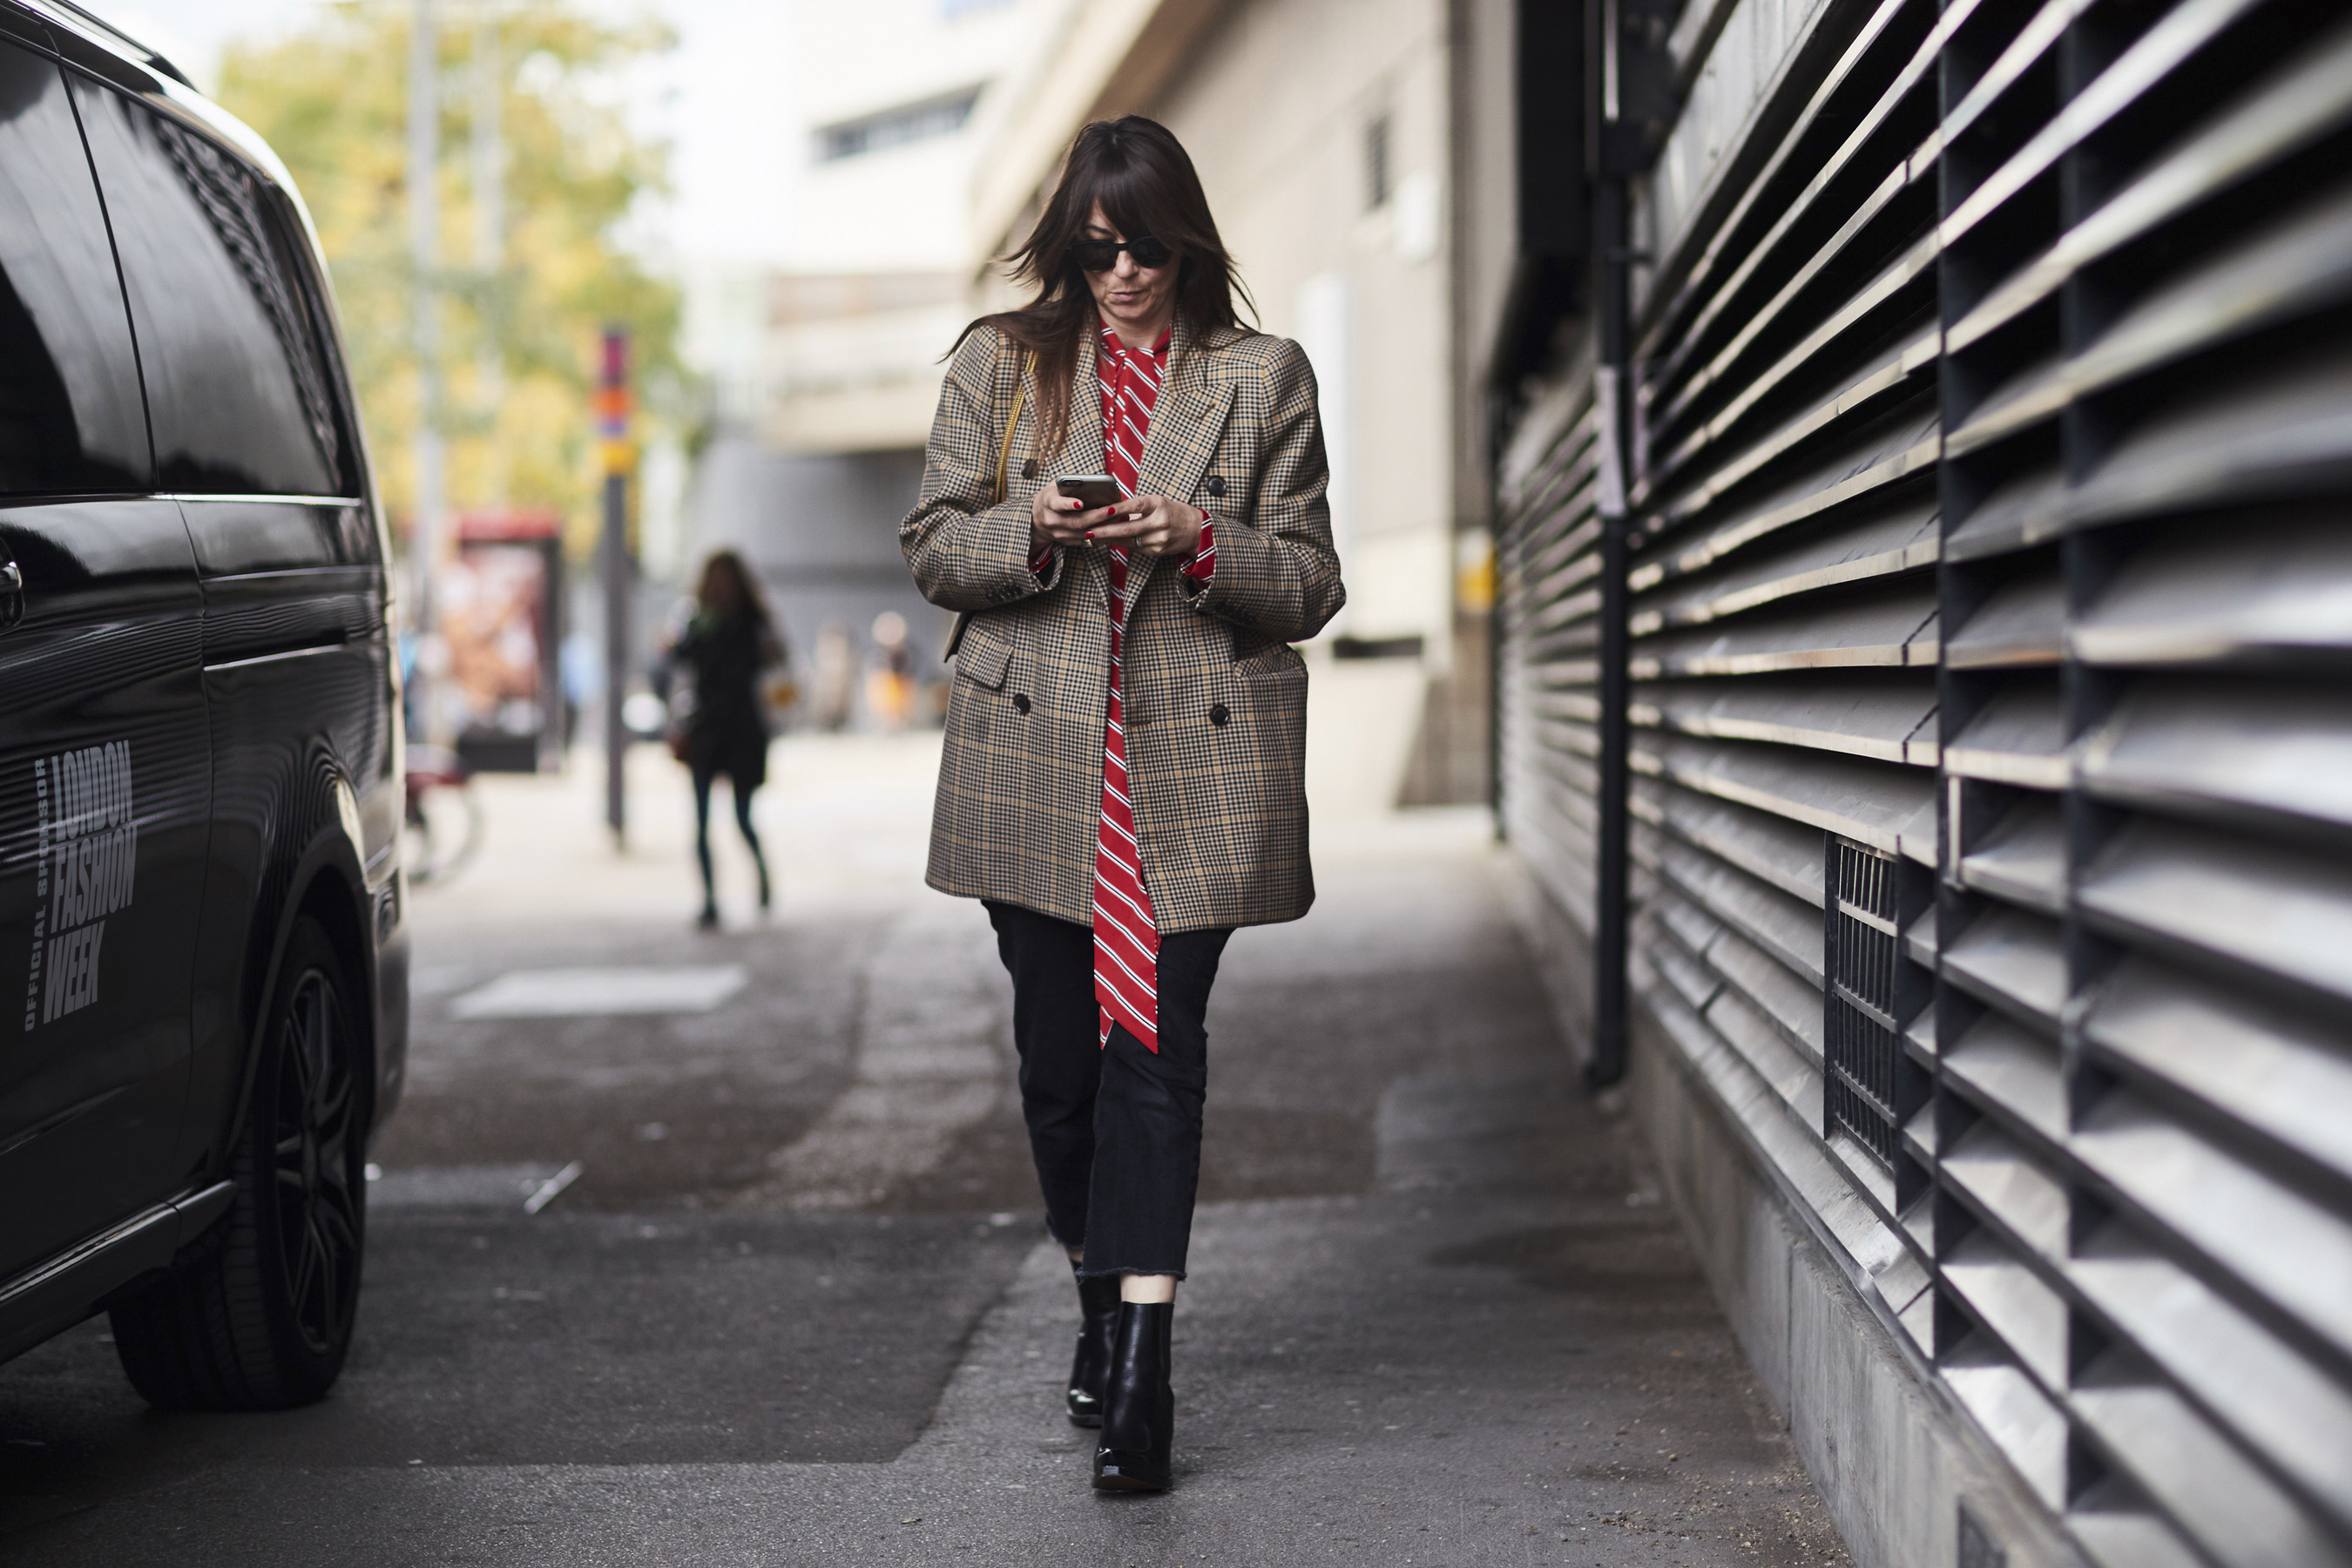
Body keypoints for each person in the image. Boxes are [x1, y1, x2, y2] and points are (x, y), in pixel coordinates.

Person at [901, 115, 1343, 1493]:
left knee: (1158, 1056)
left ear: (1187, 241)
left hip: (1193, 773)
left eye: (1147, 247)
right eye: (1097, 253)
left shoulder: (1261, 377)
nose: (1125, 275)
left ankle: (1144, 1369)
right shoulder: (1004, 364)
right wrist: (1035, 525)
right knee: (1060, 1077)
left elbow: (1313, 582)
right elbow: (932, 546)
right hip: (1037, 764)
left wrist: (1200, 539)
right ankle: (1098, 1297)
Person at [667, 549, 783, 929]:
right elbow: (678, 660)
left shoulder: (753, 619)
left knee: (742, 819)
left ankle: (761, 875)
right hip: (705, 729)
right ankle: (709, 900)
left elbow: (774, 661)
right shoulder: (697, 619)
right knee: (700, 822)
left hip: (743, 730)